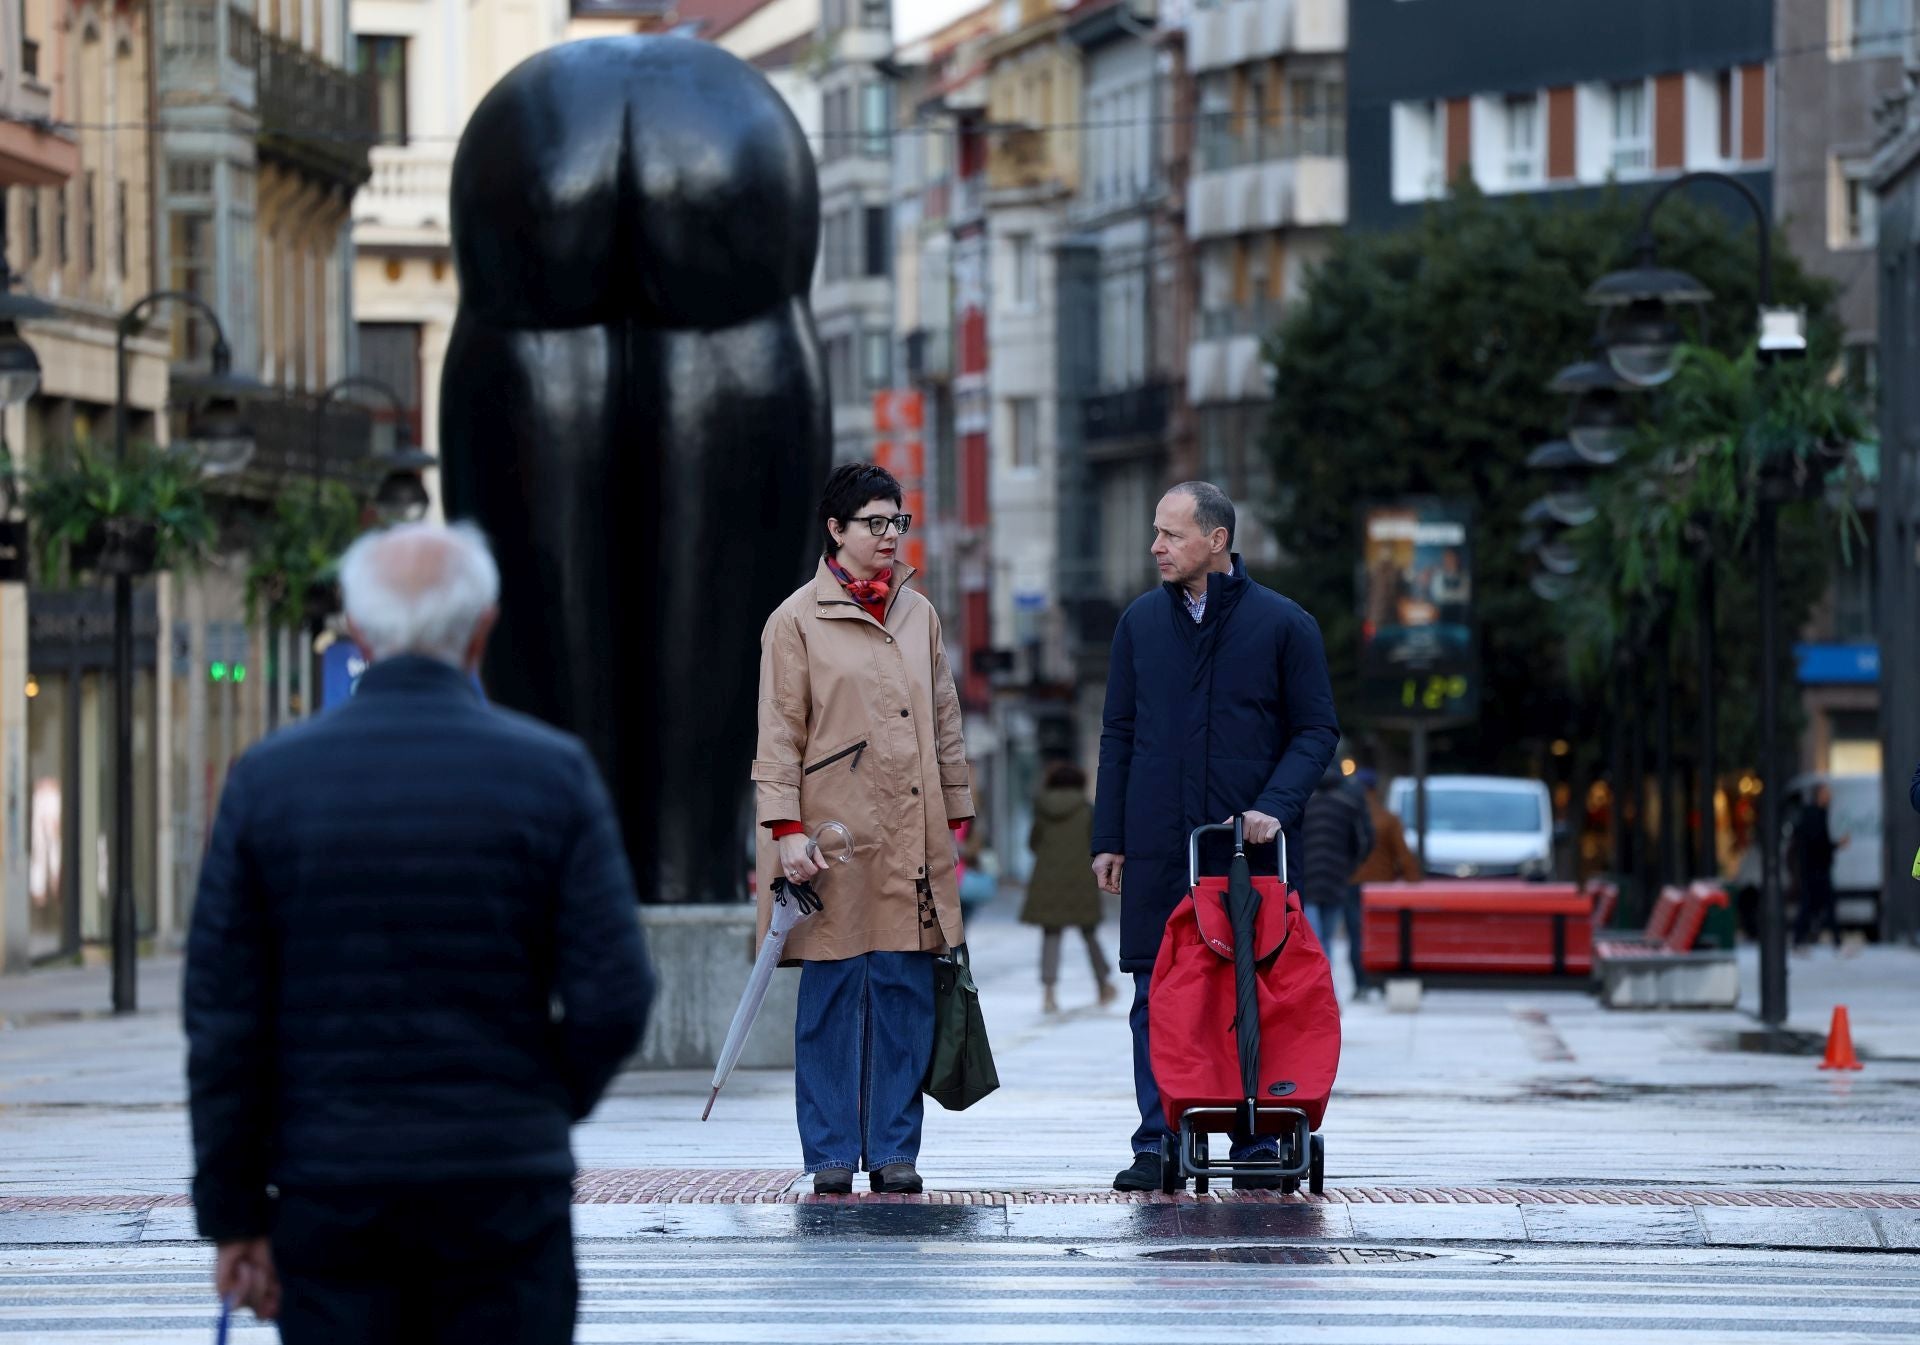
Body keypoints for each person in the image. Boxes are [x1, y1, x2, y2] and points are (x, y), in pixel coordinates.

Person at [184, 522, 655, 1343]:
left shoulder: (269, 781)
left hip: (331, 1190)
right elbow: (616, 994)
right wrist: (537, 1099)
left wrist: (233, 1215)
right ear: (482, 629)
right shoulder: (552, 774)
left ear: (358, 633)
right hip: (504, 1190)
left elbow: (224, 1022)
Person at [1092, 481, 1339, 1192]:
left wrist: (1275, 805)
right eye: (1156, 532)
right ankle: (1156, 1139)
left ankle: (1259, 1139)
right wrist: (1109, 836)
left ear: (1217, 540)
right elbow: (1119, 733)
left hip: (1246, 850)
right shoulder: (1140, 624)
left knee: (1252, 989)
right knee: (1155, 992)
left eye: (1171, 534)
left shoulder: (1284, 624)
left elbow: (1317, 728)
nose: (1156, 547)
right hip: (1159, 842)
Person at [755, 462, 975, 1196]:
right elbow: (779, 734)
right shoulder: (795, 620)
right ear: (836, 530)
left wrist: (957, 816)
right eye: (874, 523)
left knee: (905, 993)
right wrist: (786, 829)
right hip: (830, 843)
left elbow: (944, 717)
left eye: (897, 522)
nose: (888, 537)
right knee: (832, 996)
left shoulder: (919, 613)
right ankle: (828, 1153)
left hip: (911, 835)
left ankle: (892, 1150)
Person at [1020, 762, 1118, 1014]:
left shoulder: (1042, 808)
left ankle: (1049, 993)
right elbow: (1095, 844)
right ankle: (1103, 985)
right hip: (1080, 880)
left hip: (1048, 879)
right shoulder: (1086, 810)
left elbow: (1033, 842)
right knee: (1089, 934)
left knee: (1051, 935)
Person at [1299, 762, 1375, 999]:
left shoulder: (1302, 801)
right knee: (1326, 940)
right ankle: (1328, 994)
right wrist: (1349, 867)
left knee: (1315, 941)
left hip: (1307, 880)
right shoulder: (1349, 802)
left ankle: (1322, 994)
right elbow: (1364, 841)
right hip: (1337, 880)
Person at [1790, 781, 1850, 953]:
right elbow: (1817, 843)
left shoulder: (1817, 813)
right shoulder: (1814, 815)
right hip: (1814, 869)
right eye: (1826, 793)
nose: (1829, 797)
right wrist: (1837, 845)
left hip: (1816, 868)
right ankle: (1801, 941)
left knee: (1819, 906)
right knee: (1813, 906)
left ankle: (1803, 941)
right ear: (1819, 795)